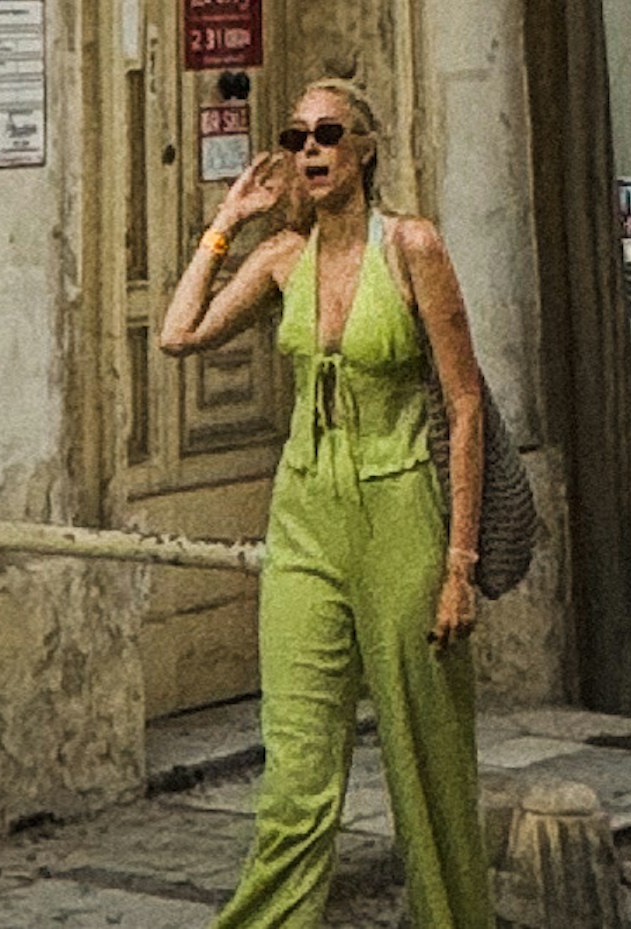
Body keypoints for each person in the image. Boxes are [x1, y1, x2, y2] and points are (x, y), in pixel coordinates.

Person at [154, 75, 494, 929]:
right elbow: (177, 332)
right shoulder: (281, 257)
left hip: (401, 513)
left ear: (365, 148)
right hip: (304, 520)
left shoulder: (413, 245)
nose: (309, 148)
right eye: (296, 133)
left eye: (328, 132)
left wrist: (460, 562)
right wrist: (228, 220)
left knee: (428, 768)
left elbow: (463, 404)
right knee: (296, 780)